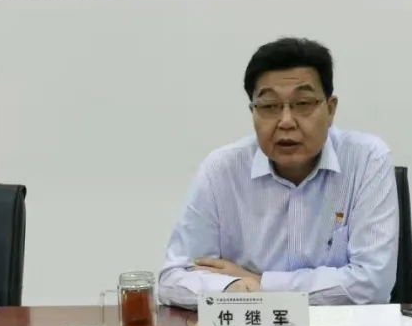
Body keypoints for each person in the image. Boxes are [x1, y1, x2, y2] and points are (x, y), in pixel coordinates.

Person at [159, 37, 399, 308]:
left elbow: (372, 283)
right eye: (269, 106)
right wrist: (236, 288)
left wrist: (261, 284)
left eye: (303, 103)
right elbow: (173, 279)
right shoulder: (221, 170)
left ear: (330, 110)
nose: (286, 122)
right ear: (253, 111)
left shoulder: (367, 160)